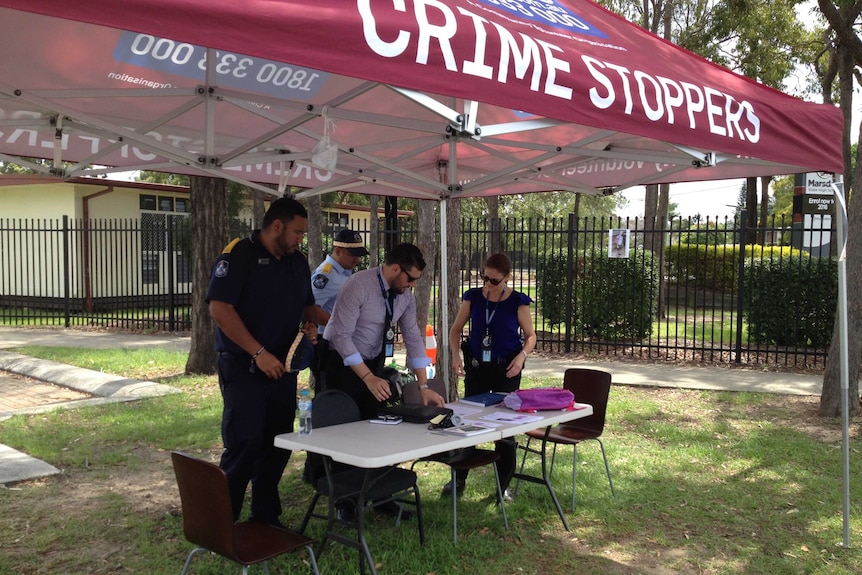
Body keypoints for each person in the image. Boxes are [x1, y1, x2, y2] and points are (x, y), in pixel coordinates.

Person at [205, 197, 322, 528]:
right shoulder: (239, 254)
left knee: (278, 442)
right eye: (297, 232)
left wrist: (310, 326)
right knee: (245, 442)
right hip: (244, 366)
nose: (301, 238)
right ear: (276, 226)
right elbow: (220, 309)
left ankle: (265, 516)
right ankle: (220, 523)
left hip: (283, 369)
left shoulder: (297, 262)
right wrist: (258, 352)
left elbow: (308, 305)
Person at [448, 252, 537, 501]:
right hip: (477, 366)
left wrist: (521, 358)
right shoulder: (473, 298)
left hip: (506, 368)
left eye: (494, 280)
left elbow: (530, 336)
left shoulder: (517, 301)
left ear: (508, 278)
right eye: (484, 277)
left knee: (505, 426)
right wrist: (456, 357)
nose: (488, 283)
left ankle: (502, 485)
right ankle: (458, 479)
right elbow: (456, 330)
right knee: (468, 420)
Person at [322, 242, 445, 419]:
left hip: (374, 364)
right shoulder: (358, 285)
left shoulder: (406, 297)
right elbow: (341, 337)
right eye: (410, 279)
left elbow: (413, 338)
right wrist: (367, 377)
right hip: (341, 364)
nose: (413, 285)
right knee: (343, 428)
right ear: (396, 269)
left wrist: (423, 386)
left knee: (374, 424)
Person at [309, 228, 368, 391]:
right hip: (327, 343)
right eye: (352, 254)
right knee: (332, 394)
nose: (357, 259)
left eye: (359, 254)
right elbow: (311, 308)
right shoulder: (326, 275)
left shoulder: (344, 272)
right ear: (337, 250)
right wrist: (339, 323)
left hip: (341, 342)